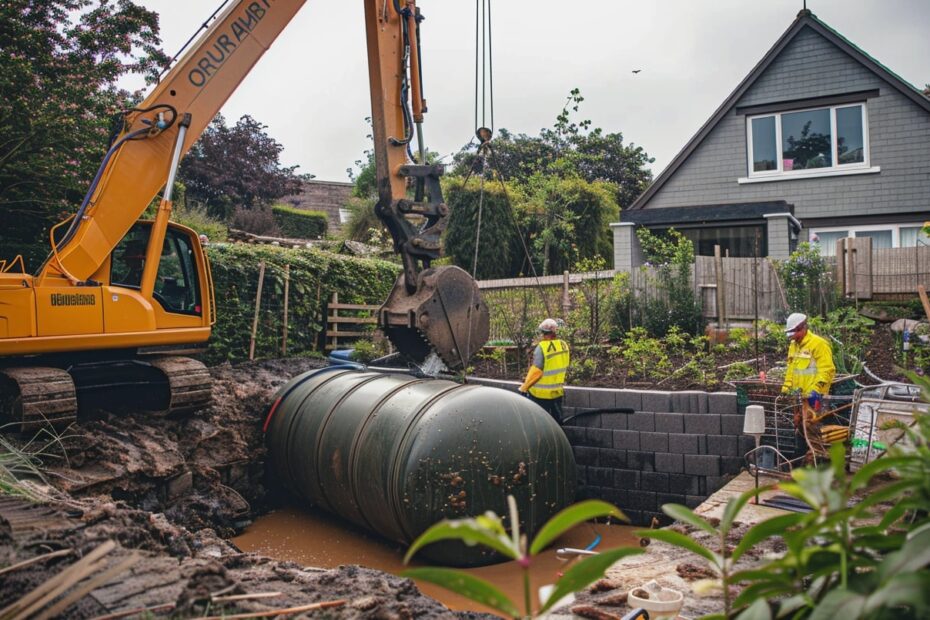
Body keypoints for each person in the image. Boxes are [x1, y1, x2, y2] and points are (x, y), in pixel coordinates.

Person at [518, 318, 570, 424]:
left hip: (540, 395)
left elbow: (537, 372)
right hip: (557, 392)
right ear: (555, 331)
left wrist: (524, 387)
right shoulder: (564, 345)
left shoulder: (542, 348)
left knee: (540, 423)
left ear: (543, 332)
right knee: (557, 423)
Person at [780, 312, 835, 410]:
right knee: (799, 424)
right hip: (799, 398)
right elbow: (791, 370)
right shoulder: (793, 345)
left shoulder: (819, 344)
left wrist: (816, 391)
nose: (792, 337)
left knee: (814, 424)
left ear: (803, 328)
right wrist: (786, 388)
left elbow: (826, 369)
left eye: (794, 333)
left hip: (815, 397)